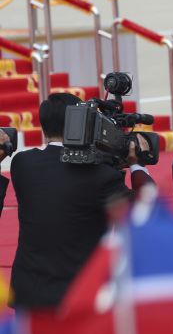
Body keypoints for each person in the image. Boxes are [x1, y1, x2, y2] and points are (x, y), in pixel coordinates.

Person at [9, 93, 153, 309]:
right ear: (81, 122)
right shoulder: (100, 175)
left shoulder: (22, 164)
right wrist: (136, 164)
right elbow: (147, 210)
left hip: (29, 292)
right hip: (80, 297)